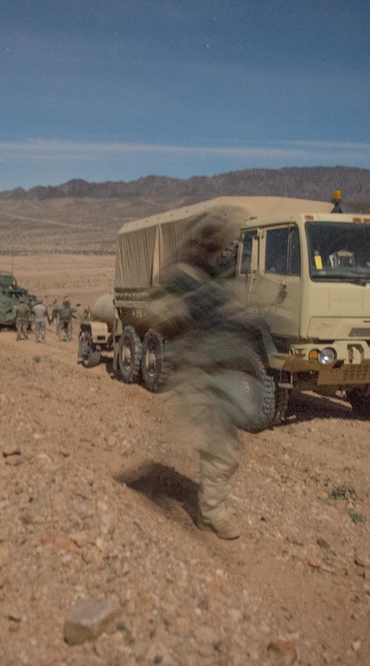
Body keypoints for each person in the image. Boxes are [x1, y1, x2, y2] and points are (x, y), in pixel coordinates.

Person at [149, 218, 254, 540]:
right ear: (199, 243)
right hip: (195, 374)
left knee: (225, 448)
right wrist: (186, 308)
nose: (218, 250)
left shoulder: (217, 280)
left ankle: (211, 510)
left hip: (220, 371)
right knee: (221, 449)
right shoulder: (182, 277)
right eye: (213, 243)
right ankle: (211, 515)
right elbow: (157, 314)